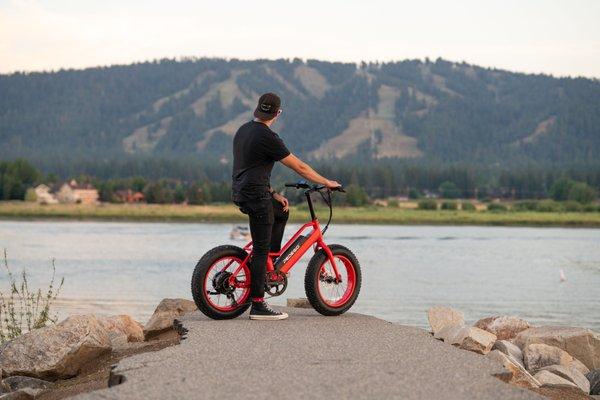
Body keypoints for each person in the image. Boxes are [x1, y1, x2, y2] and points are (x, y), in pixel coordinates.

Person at [232, 92, 341, 321]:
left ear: (257, 110)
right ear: (278, 113)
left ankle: (272, 263)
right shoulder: (268, 136)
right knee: (260, 248)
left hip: (242, 192)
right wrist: (326, 182)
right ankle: (259, 305)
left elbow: (251, 167)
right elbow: (300, 167)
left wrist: (273, 193)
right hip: (256, 195)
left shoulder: (243, 130)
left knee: (281, 209)